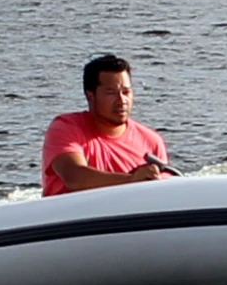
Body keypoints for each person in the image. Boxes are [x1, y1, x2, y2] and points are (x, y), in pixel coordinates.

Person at [41, 54, 169, 197]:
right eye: (111, 93)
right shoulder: (65, 128)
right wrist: (132, 180)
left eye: (126, 92)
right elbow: (74, 178)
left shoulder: (152, 141)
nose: (122, 101)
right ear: (90, 96)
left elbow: (163, 195)